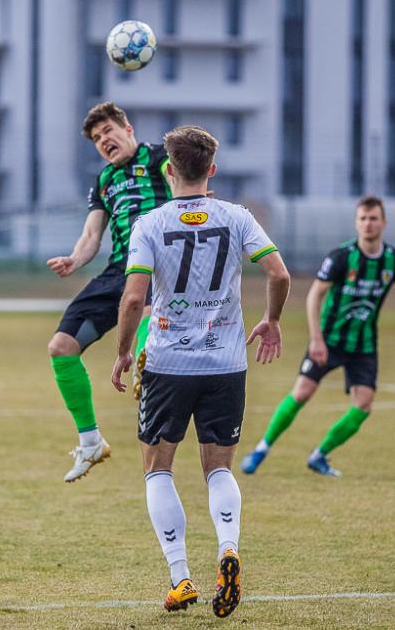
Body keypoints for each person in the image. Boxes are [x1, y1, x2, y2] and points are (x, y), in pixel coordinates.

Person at [110, 126, 290, 617]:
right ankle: (228, 549)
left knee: (158, 468)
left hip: (168, 363)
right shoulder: (237, 217)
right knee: (219, 469)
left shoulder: (150, 224)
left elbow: (133, 299)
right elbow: (278, 273)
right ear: (212, 169)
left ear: (169, 170)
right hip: (226, 362)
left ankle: (181, 578)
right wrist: (272, 320)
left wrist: (124, 351)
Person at [240, 195, 395, 478]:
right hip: (328, 340)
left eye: (373, 218)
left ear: (384, 223)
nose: (368, 224)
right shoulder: (342, 257)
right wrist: (316, 339)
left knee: (363, 405)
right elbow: (315, 296)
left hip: (363, 345)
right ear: (356, 223)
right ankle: (261, 449)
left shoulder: (394, 260)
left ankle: (319, 455)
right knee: (302, 393)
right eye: (363, 218)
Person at [46, 102, 172, 483]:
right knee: (61, 346)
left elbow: (182, 188)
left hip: (160, 262)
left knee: (146, 309)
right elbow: (91, 234)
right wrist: (74, 259)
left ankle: (147, 370)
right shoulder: (104, 181)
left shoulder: (159, 157)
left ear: (127, 128)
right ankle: (90, 442)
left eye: (108, 131)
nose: (103, 141)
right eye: (97, 138)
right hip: (119, 269)